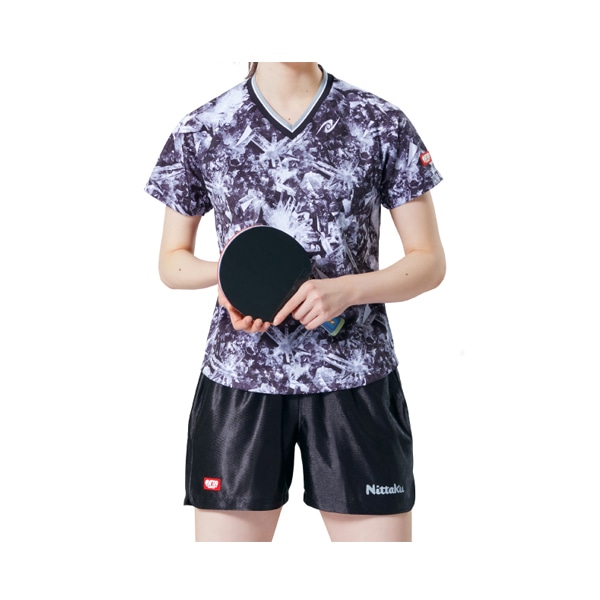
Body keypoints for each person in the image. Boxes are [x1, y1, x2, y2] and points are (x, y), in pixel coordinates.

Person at [145, 62, 445, 541]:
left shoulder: (379, 121)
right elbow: (171, 261)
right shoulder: (202, 127)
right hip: (239, 381)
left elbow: (429, 262)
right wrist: (227, 278)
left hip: (356, 378)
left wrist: (348, 290)